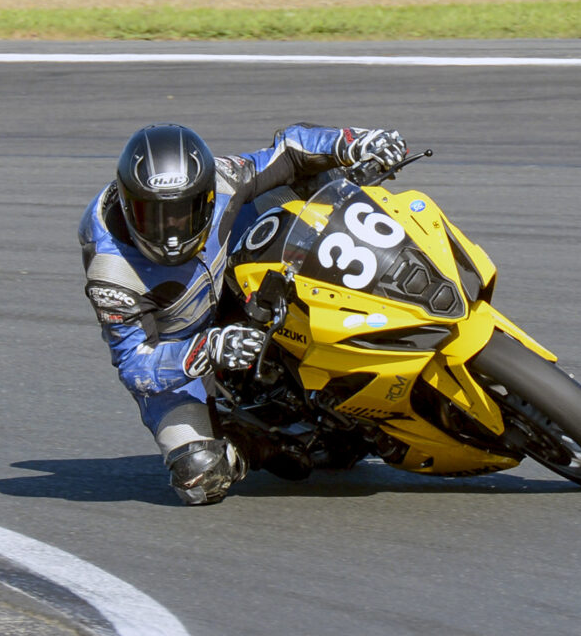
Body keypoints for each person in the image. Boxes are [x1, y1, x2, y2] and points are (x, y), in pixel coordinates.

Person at [78, 123, 407, 505]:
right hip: (181, 347)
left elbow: (289, 152)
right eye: (153, 215)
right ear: (126, 201)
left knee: (316, 176)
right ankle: (259, 446)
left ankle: (374, 295)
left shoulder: (222, 178)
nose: (170, 231)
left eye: (183, 213)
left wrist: (353, 142)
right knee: (198, 475)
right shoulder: (111, 271)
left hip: (234, 275)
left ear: (206, 195)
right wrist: (204, 350)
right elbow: (135, 365)